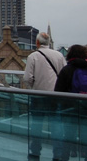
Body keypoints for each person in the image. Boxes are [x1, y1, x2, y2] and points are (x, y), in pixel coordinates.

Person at [24, 32, 66, 161]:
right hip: (55, 95)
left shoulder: (33, 56)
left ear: (37, 43)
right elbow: (64, 75)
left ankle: (35, 152)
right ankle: (58, 154)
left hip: (38, 96)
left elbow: (27, 78)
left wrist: (34, 86)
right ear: (48, 43)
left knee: (36, 126)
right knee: (56, 126)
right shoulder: (59, 55)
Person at [54, 44, 87, 161]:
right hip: (85, 109)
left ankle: (65, 157)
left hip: (69, 109)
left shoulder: (66, 69)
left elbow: (57, 91)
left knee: (68, 136)